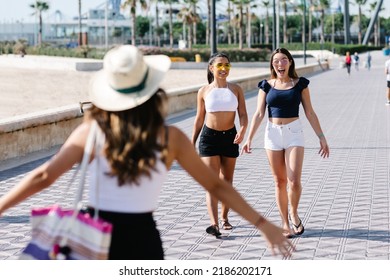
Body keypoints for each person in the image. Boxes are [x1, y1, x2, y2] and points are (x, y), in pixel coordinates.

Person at [0, 45, 293, 259]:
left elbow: (43, 176)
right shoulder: (170, 138)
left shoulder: (92, 131)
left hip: (93, 237)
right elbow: (215, 184)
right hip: (143, 239)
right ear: (151, 90)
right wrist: (263, 225)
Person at [241, 48, 330, 238]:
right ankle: (284, 223)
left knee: (294, 181)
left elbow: (310, 112)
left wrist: (321, 137)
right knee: (279, 182)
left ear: (290, 62)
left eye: (283, 60)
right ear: (272, 65)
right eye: (276, 61)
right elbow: (258, 114)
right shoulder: (266, 85)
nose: (280, 64)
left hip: (294, 133)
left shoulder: (300, 84)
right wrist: (248, 138)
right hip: (272, 134)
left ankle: (294, 213)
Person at [191, 52, 248, 237]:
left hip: (230, 137)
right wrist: (192, 142)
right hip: (209, 138)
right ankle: (214, 224)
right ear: (211, 68)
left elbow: (243, 114)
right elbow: (199, 119)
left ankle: (224, 218)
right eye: (220, 65)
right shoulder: (204, 91)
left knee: (227, 183)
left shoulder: (236, 89)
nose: (223, 69)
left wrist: (243, 130)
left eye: (227, 65)